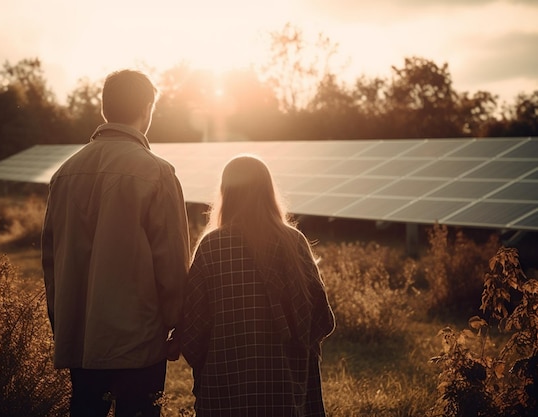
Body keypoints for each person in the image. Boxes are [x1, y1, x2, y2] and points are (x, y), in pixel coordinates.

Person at [42, 69, 190, 417]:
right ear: (147, 108)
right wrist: (180, 324)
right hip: (138, 343)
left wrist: (62, 321)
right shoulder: (157, 172)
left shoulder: (64, 173)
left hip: (79, 338)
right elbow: (171, 262)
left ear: (104, 109)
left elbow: (50, 261)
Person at [180, 155, 336, 417]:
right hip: (287, 393)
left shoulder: (212, 246)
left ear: (225, 194)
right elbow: (322, 320)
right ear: (268, 191)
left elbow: (193, 329)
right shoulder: (294, 242)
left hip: (225, 393)